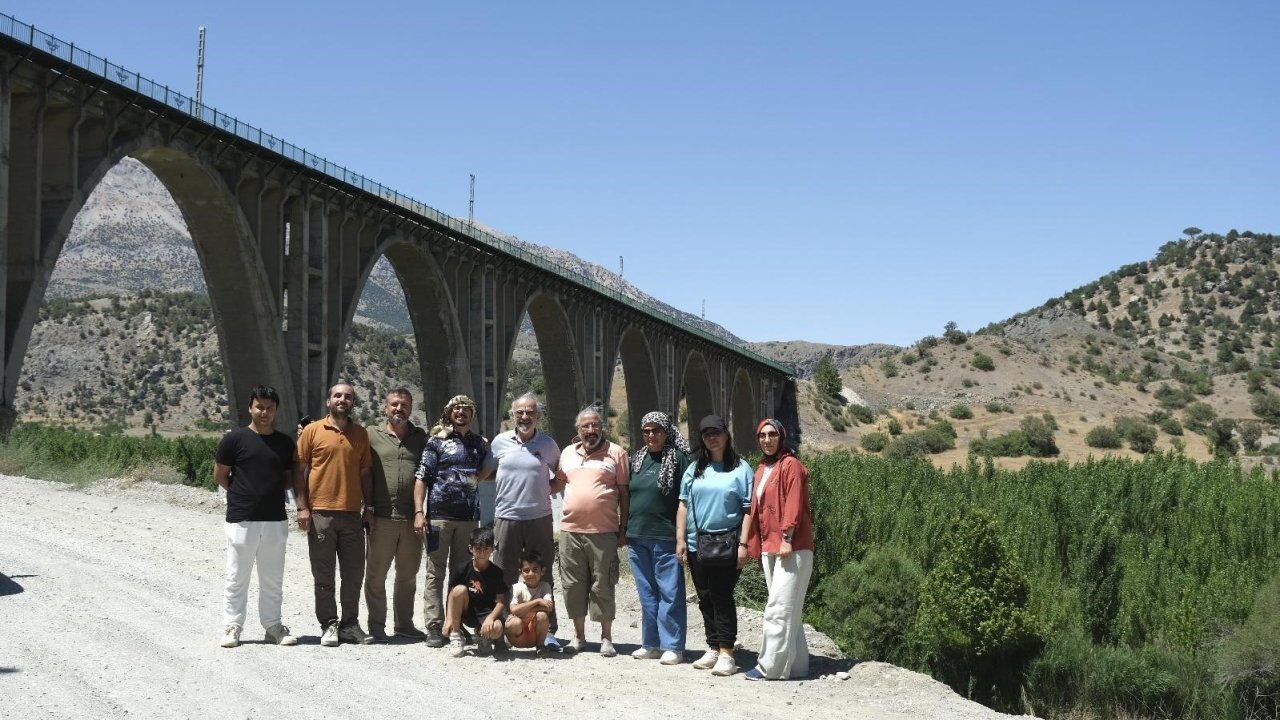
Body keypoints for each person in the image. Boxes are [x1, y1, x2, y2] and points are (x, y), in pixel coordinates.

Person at [215, 385, 297, 648]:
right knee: (237, 576)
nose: (264, 412)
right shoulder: (234, 440)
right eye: (260, 407)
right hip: (242, 519)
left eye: (269, 408)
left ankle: (273, 626)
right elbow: (221, 475)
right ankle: (232, 626)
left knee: (273, 579)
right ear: (250, 407)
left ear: (276, 410)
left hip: (275, 519)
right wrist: (243, 494)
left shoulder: (284, 443)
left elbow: (287, 479)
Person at [295, 382, 375, 647]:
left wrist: (369, 508)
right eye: (337, 395)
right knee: (324, 576)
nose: (343, 400)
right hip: (321, 514)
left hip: (352, 514)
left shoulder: (360, 434)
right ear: (328, 401)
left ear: (353, 403)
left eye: (348, 397)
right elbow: (299, 470)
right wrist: (302, 507)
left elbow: (365, 473)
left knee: (353, 576)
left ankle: (350, 625)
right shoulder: (312, 431)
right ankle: (329, 624)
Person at [414, 394, 494, 648]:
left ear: (472, 414)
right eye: (456, 409)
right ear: (449, 413)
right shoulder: (436, 441)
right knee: (435, 572)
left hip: (468, 518)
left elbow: (487, 471)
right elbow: (422, 477)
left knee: (461, 573)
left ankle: (455, 624)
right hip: (439, 517)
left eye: (466, 409)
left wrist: (477, 476)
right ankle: (434, 626)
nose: (461, 412)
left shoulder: (479, 443)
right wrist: (419, 512)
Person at [676, 414, 753, 677]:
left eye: (717, 432)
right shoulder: (694, 468)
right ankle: (713, 646)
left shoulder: (741, 469)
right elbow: (683, 505)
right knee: (705, 597)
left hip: (728, 543)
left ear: (726, 435)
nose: (712, 438)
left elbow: (748, 510)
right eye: (707, 434)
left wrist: (744, 544)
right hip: (697, 543)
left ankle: (727, 652)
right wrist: (680, 539)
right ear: (702, 439)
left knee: (721, 596)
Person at [490, 393, 567, 652]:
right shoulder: (499, 442)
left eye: (530, 412)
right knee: (503, 573)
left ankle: (548, 630)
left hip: (539, 518)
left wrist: (542, 491)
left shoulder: (548, 445)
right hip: (506, 517)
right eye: (520, 412)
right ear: (512, 415)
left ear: (538, 417)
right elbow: (486, 472)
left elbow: (560, 478)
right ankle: (504, 627)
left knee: (543, 572)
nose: (525, 417)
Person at [740, 419, 815, 681]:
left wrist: (787, 538)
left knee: (778, 608)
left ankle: (768, 667)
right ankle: (797, 667)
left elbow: (793, 502)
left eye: (772, 434)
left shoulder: (790, 464)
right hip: (770, 546)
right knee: (789, 610)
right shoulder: (762, 468)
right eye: (762, 435)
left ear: (781, 437)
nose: (767, 440)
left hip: (791, 546)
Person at [558, 405, 630, 656]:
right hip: (570, 531)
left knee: (603, 584)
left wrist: (623, 529)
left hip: (604, 531)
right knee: (572, 585)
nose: (590, 430)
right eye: (585, 426)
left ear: (602, 427)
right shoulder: (567, 453)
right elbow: (558, 482)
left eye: (595, 425)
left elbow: (624, 493)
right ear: (578, 430)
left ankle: (606, 638)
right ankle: (578, 637)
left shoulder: (616, 453)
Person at [626, 411, 691, 665]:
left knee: (670, 593)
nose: (651, 435)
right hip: (637, 535)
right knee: (647, 594)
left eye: (656, 430)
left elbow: (686, 498)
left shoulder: (678, 458)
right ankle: (651, 643)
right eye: (646, 431)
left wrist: (682, 537)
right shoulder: (637, 459)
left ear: (666, 432)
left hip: (665, 536)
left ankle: (673, 646)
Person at [364, 388, 428, 642]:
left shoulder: (420, 437)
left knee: (408, 577)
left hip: (412, 519)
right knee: (376, 576)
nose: (399, 408)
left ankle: (404, 624)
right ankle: (376, 626)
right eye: (394, 404)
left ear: (411, 408)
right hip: (381, 517)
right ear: (385, 407)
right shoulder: (371, 434)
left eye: (404, 405)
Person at [443, 526, 508, 657]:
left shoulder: (497, 573)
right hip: (467, 611)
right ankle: (456, 635)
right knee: (459, 590)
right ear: (470, 548)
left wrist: (491, 618)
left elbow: (501, 602)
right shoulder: (462, 568)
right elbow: (452, 594)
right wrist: (448, 619)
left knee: (497, 629)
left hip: (486, 613)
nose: (482, 553)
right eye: (478, 548)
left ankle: (481, 635)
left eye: (486, 549)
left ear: (492, 549)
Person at [504, 550, 555, 656]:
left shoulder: (545, 586)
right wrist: (537, 601)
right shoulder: (516, 587)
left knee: (542, 616)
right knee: (514, 622)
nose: (531, 574)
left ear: (542, 571)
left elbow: (549, 608)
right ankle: (507, 641)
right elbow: (514, 609)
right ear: (520, 572)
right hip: (518, 634)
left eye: (535, 570)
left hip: (534, 635)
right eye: (526, 570)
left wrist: (522, 610)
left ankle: (540, 646)